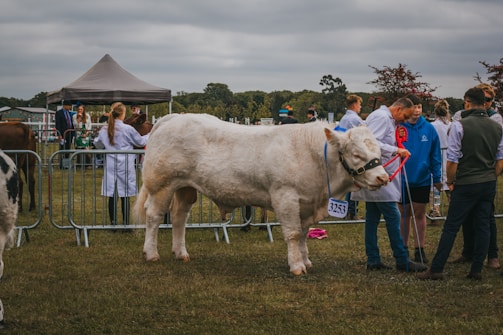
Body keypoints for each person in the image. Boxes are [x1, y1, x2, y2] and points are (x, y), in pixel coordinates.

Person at [418, 87, 503, 280]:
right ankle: (476, 270)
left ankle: (437, 268)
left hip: (466, 182)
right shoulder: (497, 126)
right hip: (488, 181)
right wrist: (491, 176)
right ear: (484, 103)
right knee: (483, 225)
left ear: (467, 102)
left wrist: (450, 181)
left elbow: (453, 159)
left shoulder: (459, 125)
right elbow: (500, 159)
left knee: (451, 226)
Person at [351, 97, 427, 272]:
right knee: (393, 217)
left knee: (372, 219)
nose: (405, 120)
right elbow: (370, 143)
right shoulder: (382, 117)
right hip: (380, 177)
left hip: (381, 177)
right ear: (398, 109)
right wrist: (396, 150)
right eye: (405, 116)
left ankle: (373, 259)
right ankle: (402, 260)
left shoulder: (387, 118)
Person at [451, 83, 502, 269]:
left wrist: (493, 174)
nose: (486, 103)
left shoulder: (495, 118)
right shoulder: (460, 116)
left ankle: (492, 254)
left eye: (489, 100)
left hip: (486, 171)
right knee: (466, 216)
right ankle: (468, 251)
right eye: (483, 99)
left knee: (487, 217)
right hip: (466, 171)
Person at [398, 94, 442, 264]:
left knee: (420, 213)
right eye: (413, 107)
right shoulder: (399, 127)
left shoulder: (429, 129)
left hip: (422, 179)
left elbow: (435, 155)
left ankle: (420, 249)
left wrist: (437, 177)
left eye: (419, 107)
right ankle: (403, 249)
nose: (416, 111)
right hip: (402, 179)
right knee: (404, 214)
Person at [93, 102, 149, 228]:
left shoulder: (104, 129)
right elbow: (140, 142)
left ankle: (113, 223)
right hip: (126, 164)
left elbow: (97, 144)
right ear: (123, 114)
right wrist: (152, 133)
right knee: (125, 194)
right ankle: (125, 223)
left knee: (113, 193)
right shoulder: (128, 129)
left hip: (111, 164)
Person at [339, 94, 365, 220]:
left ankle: (347, 211)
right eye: (359, 104)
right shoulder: (355, 119)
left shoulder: (344, 118)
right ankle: (351, 211)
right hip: (353, 154)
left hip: (345, 154)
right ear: (354, 105)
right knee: (354, 184)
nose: (360, 107)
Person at [429, 99, 452, 217]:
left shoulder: (432, 126)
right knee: (449, 184)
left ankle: (435, 208)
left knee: (436, 186)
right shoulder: (452, 125)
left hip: (437, 157)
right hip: (449, 158)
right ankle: (453, 207)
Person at [55, 100, 75, 169]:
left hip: (69, 133)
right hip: (63, 134)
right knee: (62, 149)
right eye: (69, 106)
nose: (70, 107)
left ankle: (66, 164)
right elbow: (58, 124)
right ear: (65, 105)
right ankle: (61, 164)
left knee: (68, 149)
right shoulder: (59, 113)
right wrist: (59, 134)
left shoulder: (69, 113)